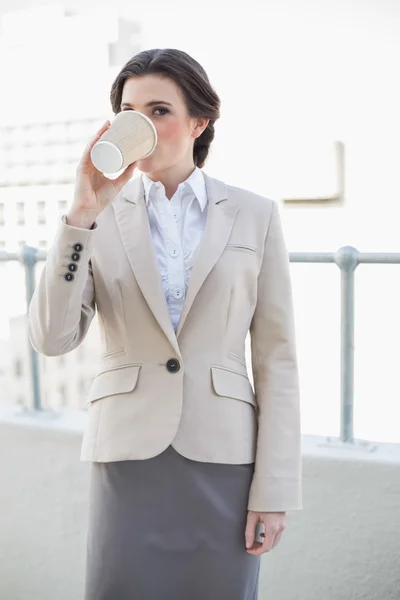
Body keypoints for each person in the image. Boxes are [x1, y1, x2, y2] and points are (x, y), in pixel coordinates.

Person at [28, 48, 302, 600]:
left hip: (225, 458)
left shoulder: (255, 214)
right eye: (129, 111)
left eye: (159, 110)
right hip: (128, 457)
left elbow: (277, 360)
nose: (143, 126)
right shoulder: (98, 215)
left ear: (199, 122)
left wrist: (274, 490)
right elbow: (53, 338)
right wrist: (80, 218)